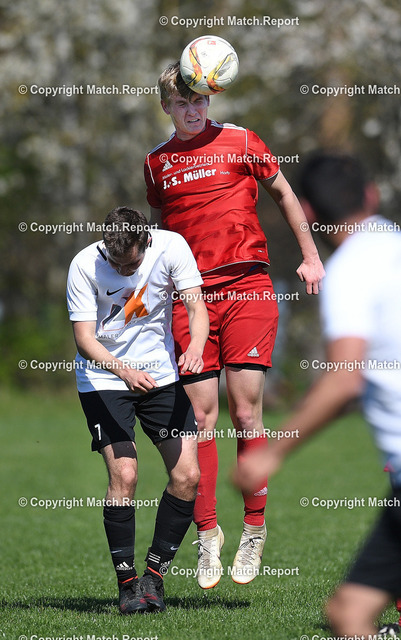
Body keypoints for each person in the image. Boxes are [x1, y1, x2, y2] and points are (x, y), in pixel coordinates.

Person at [144, 62, 325, 588]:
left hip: (248, 287)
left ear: (212, 98)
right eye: (182, 103)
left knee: (246, 412)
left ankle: (254, 527)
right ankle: (208, 535)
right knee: (201, 419)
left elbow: (285, 194)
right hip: (191, 298)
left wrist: (311, 257)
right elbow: (161, 231)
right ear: (166, 107)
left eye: (200, 100)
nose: (193, 110)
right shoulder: (156, 163)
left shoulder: (243, 141)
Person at [234, 152, 401, 636]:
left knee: (349, 616)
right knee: (349, 611)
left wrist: (272, 454)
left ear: (307, 211)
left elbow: (345, 377)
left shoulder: (349, 270)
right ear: (371, 194)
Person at [66, 206, 209, 614]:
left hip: (160, 377)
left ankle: (154, 578)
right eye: (116, 265)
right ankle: (128, 585)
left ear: (147, 240)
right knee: (125, 475)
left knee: (187, 477)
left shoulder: (171, 247)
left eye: (131, 265)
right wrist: (124, 371)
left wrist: (196, 346)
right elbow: (84, 339)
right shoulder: (84, 266)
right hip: (105, 379)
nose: (123, 272)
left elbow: (197, 308)